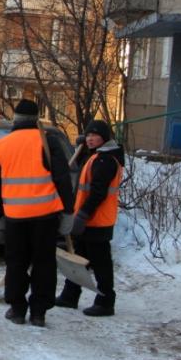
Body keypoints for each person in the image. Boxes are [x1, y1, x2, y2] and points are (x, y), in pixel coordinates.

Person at [0, 99, 75, 327]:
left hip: (15, 216)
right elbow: (63, 180)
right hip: (45, 216)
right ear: (37, 119)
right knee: (44, 263)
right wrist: (67, 212)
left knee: (16, 263)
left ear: (14, 119)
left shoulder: (2, 145)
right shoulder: (48, 142)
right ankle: (39, 313)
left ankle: (17, 309)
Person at [56, 120, 124, 317]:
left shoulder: (106, 161)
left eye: (95, 135)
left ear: (105, 138)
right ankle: (70, 295)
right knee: (78, 259)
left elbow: (98, 193)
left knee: (101, 262)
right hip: (89, 220)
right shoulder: (98, 156)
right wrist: (83, 148)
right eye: (88, 135)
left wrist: (83, 215)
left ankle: (105, 301)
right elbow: (83, 167)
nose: (91, 138)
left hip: (97, 221)